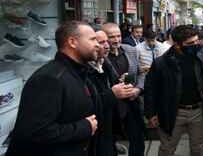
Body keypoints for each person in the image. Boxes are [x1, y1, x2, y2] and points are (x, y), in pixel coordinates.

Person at [6, 21, 99, 156]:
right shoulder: (50, 79)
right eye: (92, 39)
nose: (97, 44)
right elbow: (35, 131)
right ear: (72, 42)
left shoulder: (79, 73)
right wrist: (83, 128)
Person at [144, 25, 203, 156]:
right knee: (167, 149)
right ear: (177, 44)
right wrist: (151, 113)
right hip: (172, 112)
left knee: (199, 149)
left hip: (199, 112)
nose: (196, 45)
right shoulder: (161, 63)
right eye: (190, 43)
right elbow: (151, 89)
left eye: (197, 41)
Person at [88, 30, 140, 156]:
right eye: (102, 42)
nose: (107, 45)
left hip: (125, 110)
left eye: (118, 36)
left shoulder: (104, 62)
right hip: (98, 125)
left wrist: (126, 82)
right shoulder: (83, 69)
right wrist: (113, 93)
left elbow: (138, 73)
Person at [102, 23, 145, 156]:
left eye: (118, 36)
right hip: (111, 107)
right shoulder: (99, 55)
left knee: (138, 139)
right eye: (111, 37)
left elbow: (140, 73)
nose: (116, 40)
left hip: (132, 103)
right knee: (108, 142)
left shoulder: (131, 50)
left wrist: (137, 89)